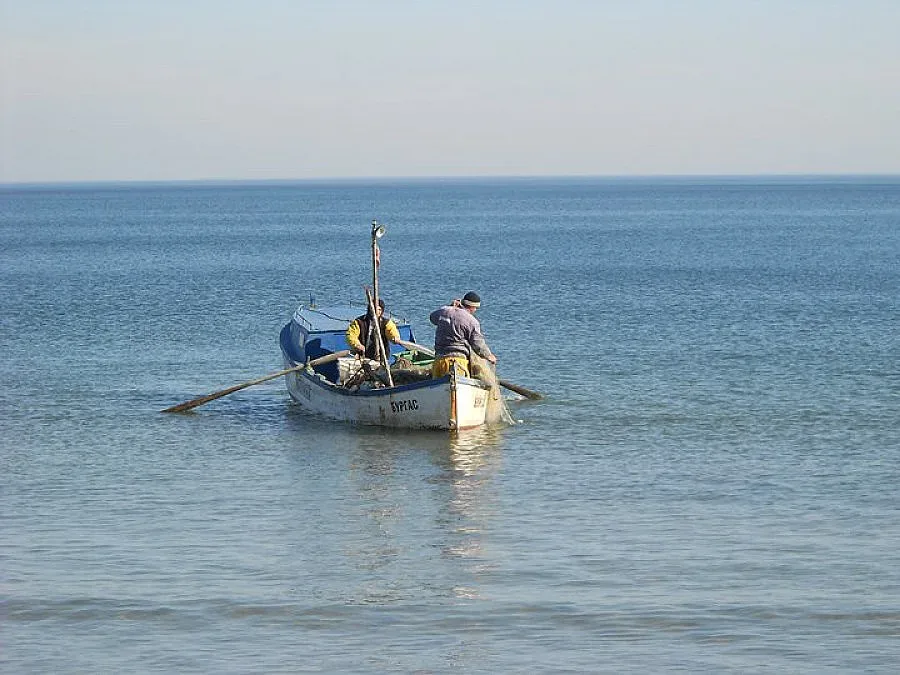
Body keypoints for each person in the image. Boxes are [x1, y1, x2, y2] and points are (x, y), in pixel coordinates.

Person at [429, 291, 497, 378]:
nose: (475, 311)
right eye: (476, 308)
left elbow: (432, 318)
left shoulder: (444, 311)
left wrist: (450, 306)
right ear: (472, 307)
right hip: (459, 361)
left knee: (438, 385)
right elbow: (477, 343)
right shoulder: (471, 321)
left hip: (439, 360)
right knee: (458, 382)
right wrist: (488, 355)